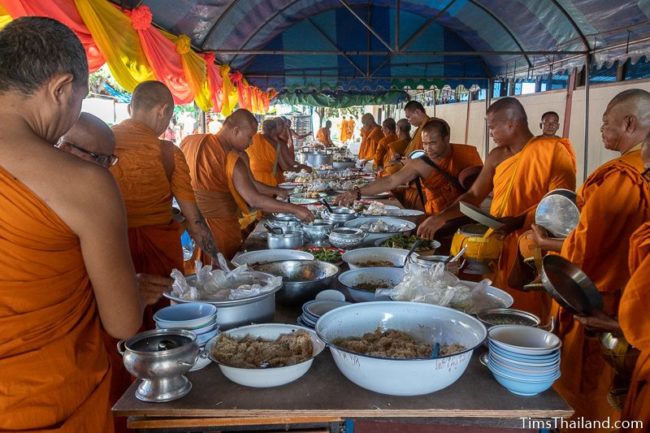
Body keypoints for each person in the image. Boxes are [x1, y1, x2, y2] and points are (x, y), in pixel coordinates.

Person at [0, 17, 142, 432]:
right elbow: (122, 322)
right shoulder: (83, 183)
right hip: (48, 397)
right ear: (61, 88)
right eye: (79, 100)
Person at [533, 89, 650, 431]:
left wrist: (545, 244)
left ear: (629, 123)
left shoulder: (620, 178)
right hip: (633, 313)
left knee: (587, 399)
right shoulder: (632, 174)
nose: (601, 130)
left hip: (603, 305)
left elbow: (582, 251)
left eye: (605, 123)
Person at [57, 112, 173, 433]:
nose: (108, 169)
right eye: (101, 159)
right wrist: (129, 296)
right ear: (65, 150)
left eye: (111, 159)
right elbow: (121, 323)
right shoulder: (82, 196)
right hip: (59, 361)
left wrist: (130, 286)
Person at [417, 97, 576, 320]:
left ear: (511, 123)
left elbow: (561, 207)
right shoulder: (497, 156)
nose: (490, 133)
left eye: (492, 127)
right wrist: (441, 217)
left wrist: (519, 220)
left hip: (534, 246)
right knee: (499, 300)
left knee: (529, 308)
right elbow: (473, 195)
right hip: (499, 241)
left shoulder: (552, 152)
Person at [110, 81, 223, 321]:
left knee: (116, 318)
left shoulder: (101, 144)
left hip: (110, 253)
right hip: (157, 254)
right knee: (162, 318)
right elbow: (195, 222)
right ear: (163, 111)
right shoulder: (167, 153)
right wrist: (222, 263)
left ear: (131, 108)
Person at [181, 109, 314, 260]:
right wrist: (295, 209)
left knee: (200, 274)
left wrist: (279, 191)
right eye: (249, 137)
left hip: (193, 225)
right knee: (222, 270)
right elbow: (254, 199)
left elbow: (252, 184)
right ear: (236, 131)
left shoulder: (190, 141)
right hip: (219, 226)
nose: (251, 143)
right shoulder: (231, 158)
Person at [336, 119, 482, 213]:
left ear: (447, 138)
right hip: (437, 215)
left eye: (433, 143)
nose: (428, 148)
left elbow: (479, 188)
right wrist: (356, 193)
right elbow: (390, 181)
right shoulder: (420, 163)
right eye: (424, 144)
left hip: (467, 214)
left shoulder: (467, 153)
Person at [387, 101, 431, 209]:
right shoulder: (420, 129)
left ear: (417, 112)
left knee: (388, 176)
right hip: (411, 167)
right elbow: (413, 151)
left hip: (421, 172)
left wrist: (408, 161)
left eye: (409, 117)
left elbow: (425, 154)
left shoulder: (430, 127)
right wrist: (402, 158)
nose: (409, 121)